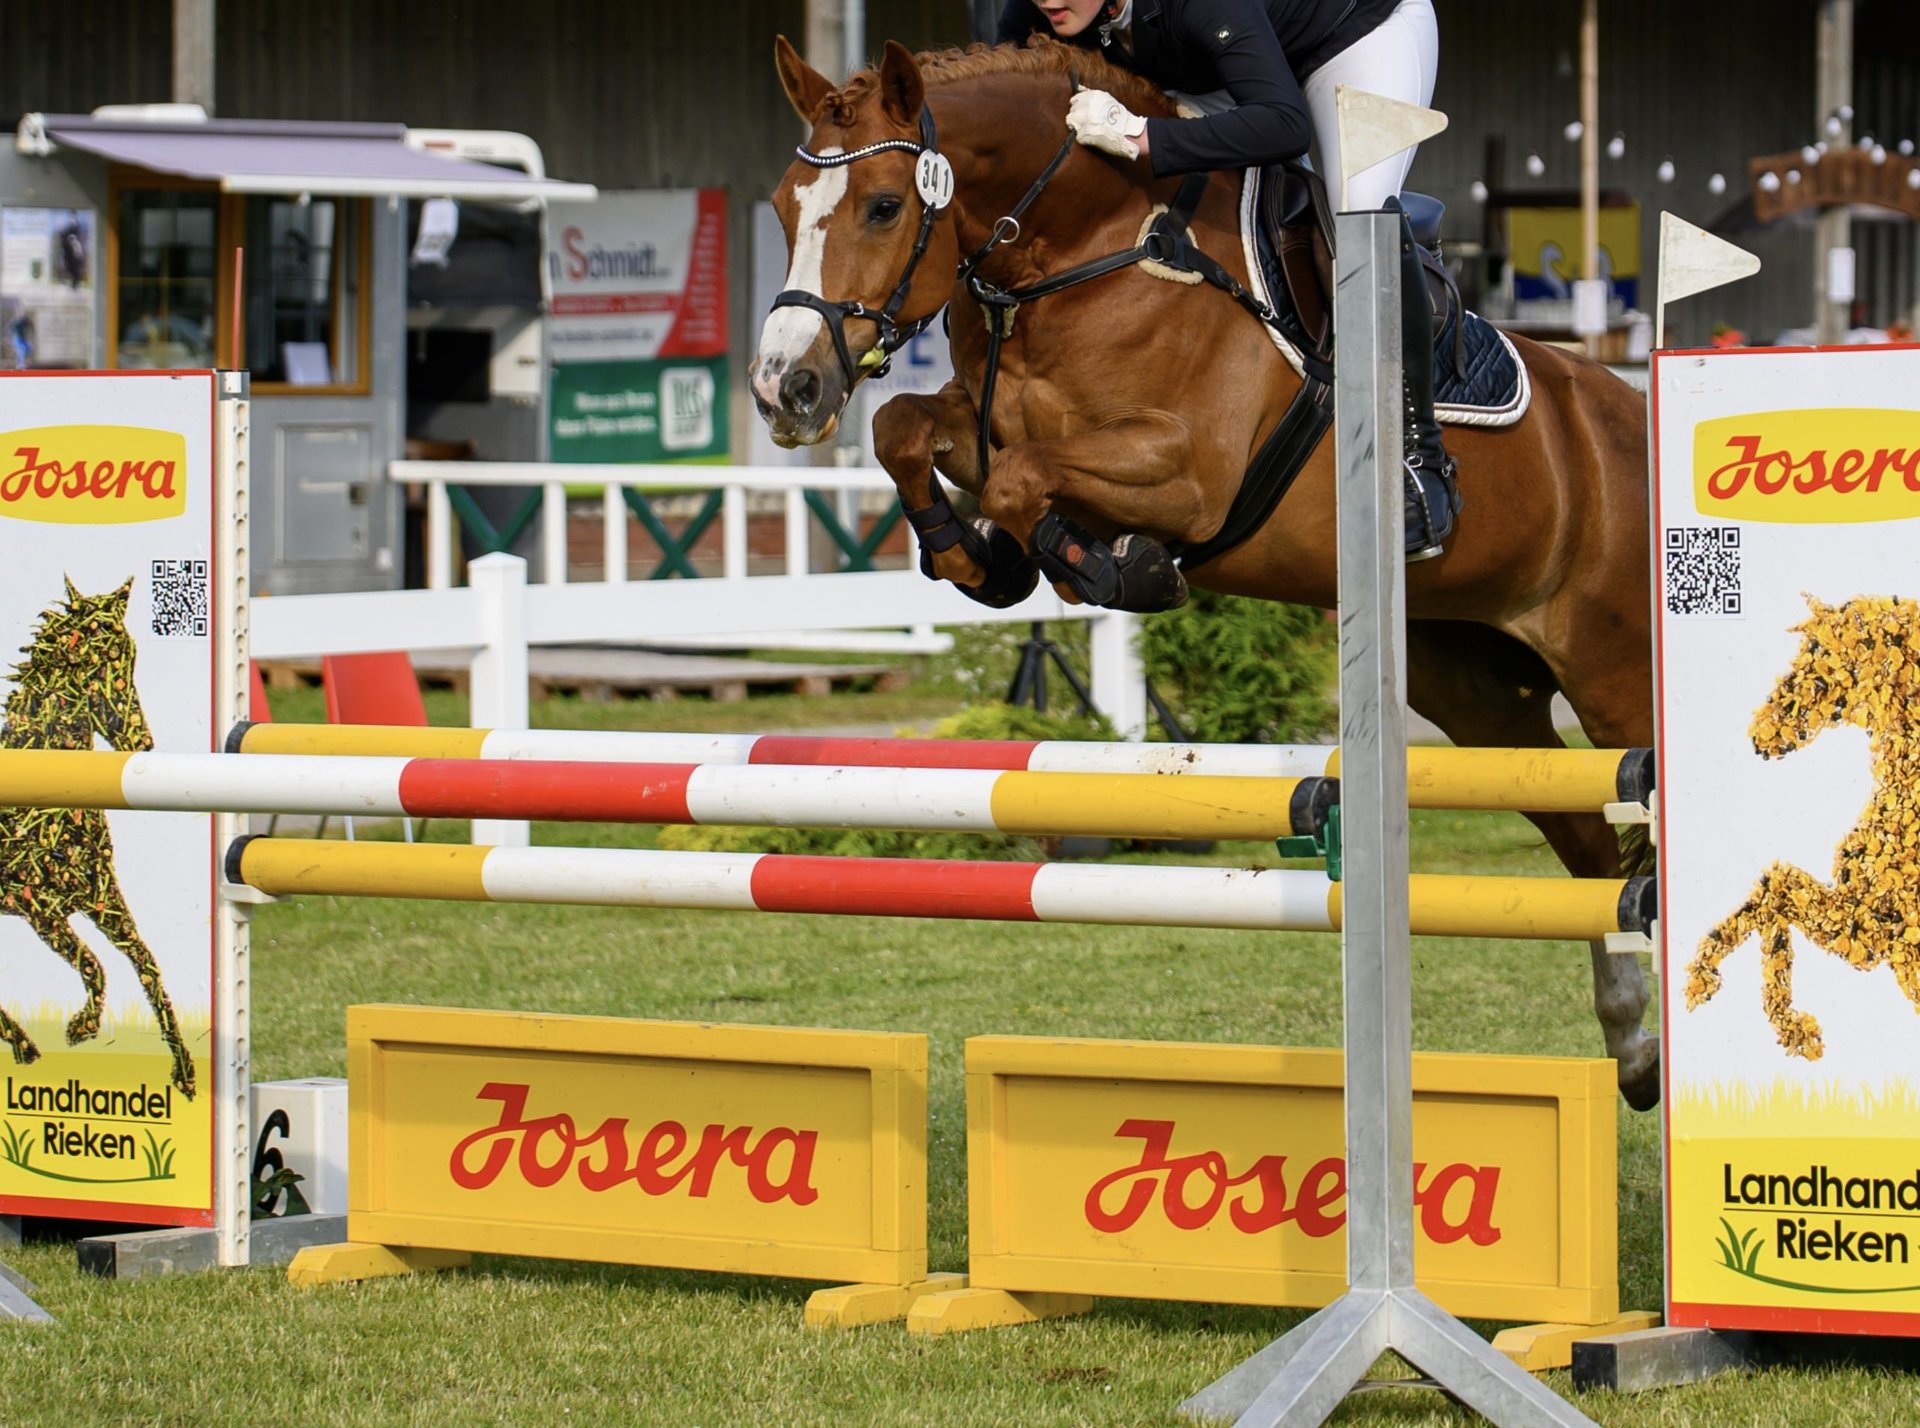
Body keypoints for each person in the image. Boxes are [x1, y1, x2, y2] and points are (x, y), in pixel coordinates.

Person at [996, 0, 1459, 561]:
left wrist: (1146, 138)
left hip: (1351, 39)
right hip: (1225, 65)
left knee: (1357, 216)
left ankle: (1420, 458)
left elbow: (1285, 125)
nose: (1048, 1)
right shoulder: (1037, 8)